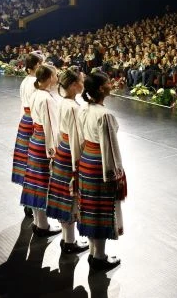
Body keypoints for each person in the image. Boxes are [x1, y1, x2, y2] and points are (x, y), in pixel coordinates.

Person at [77, 70, 123, 270]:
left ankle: (95, 252)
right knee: (101, 209)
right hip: (99, 164)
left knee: (89, 207)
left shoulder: (85, 109)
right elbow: (111, 149)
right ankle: (99, 257)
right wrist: (116, 173)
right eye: (108, 82)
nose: (111, 84)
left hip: (86, 159)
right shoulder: (105, 115)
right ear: (100, 89)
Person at [46, 67, 89, 254]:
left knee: (63, 195)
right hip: (70, 154)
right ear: (73, 85)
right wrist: (77, 165)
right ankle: (70, 241)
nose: (83, 83)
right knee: (70, 196)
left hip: (62, 149)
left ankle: (67, 238)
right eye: (81, 80)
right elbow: (76, 137)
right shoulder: (72, 107)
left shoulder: (64, 102)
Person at [20, 64, 62, 237]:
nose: (58, 78)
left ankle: (39, 222)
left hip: (36, 140)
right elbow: (51, 128)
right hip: (44, 142)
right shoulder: (46, 98)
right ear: (50, 77)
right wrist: (53, 152)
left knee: (35, 183)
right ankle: (43, 225)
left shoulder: (37, 94)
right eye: (56, 75)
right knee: (43, 183)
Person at [11, 51, 44, 221]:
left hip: (26, 120)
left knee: (27, 163)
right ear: (36, 66)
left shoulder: (26, 81)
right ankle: (30, 203)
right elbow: (35, 106)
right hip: (32, 121)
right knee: (32, 164)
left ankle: (28, 203)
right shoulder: (33, 83)